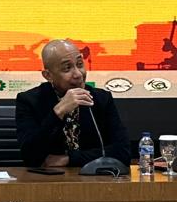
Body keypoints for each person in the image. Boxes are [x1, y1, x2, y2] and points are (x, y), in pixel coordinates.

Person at [16, 39, 131, 169]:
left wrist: (69, 159)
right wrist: (57, 113)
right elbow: (30, 156)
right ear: (48, 75)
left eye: (80, 64)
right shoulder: (29, 101)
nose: (78, 74)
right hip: (48, 179)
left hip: (92, 178)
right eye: (67, 68)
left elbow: (123, 152)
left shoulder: (101, 99)